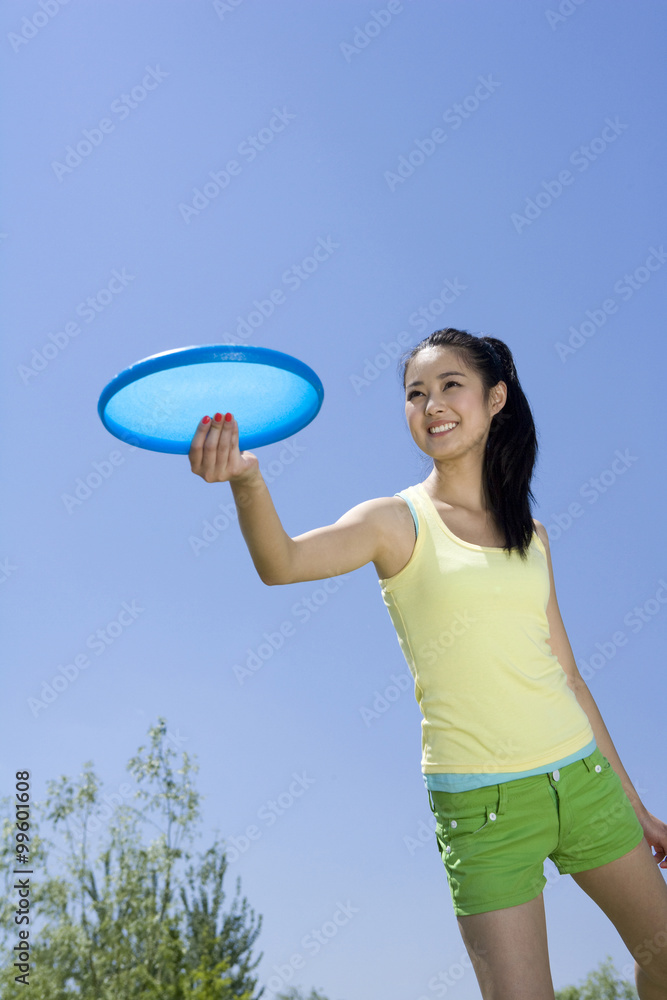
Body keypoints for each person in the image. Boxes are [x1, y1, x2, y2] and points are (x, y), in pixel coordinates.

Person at [189, 327, 667, 1000]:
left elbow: (568, 674)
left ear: (494, 399)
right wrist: (245, 481)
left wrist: (634, 803)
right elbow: (284, 563)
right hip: (482, 808)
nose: (431, 404)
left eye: (449, 386)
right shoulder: (394, 521)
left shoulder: (532, 538)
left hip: (582, 780)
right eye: (415, 393)